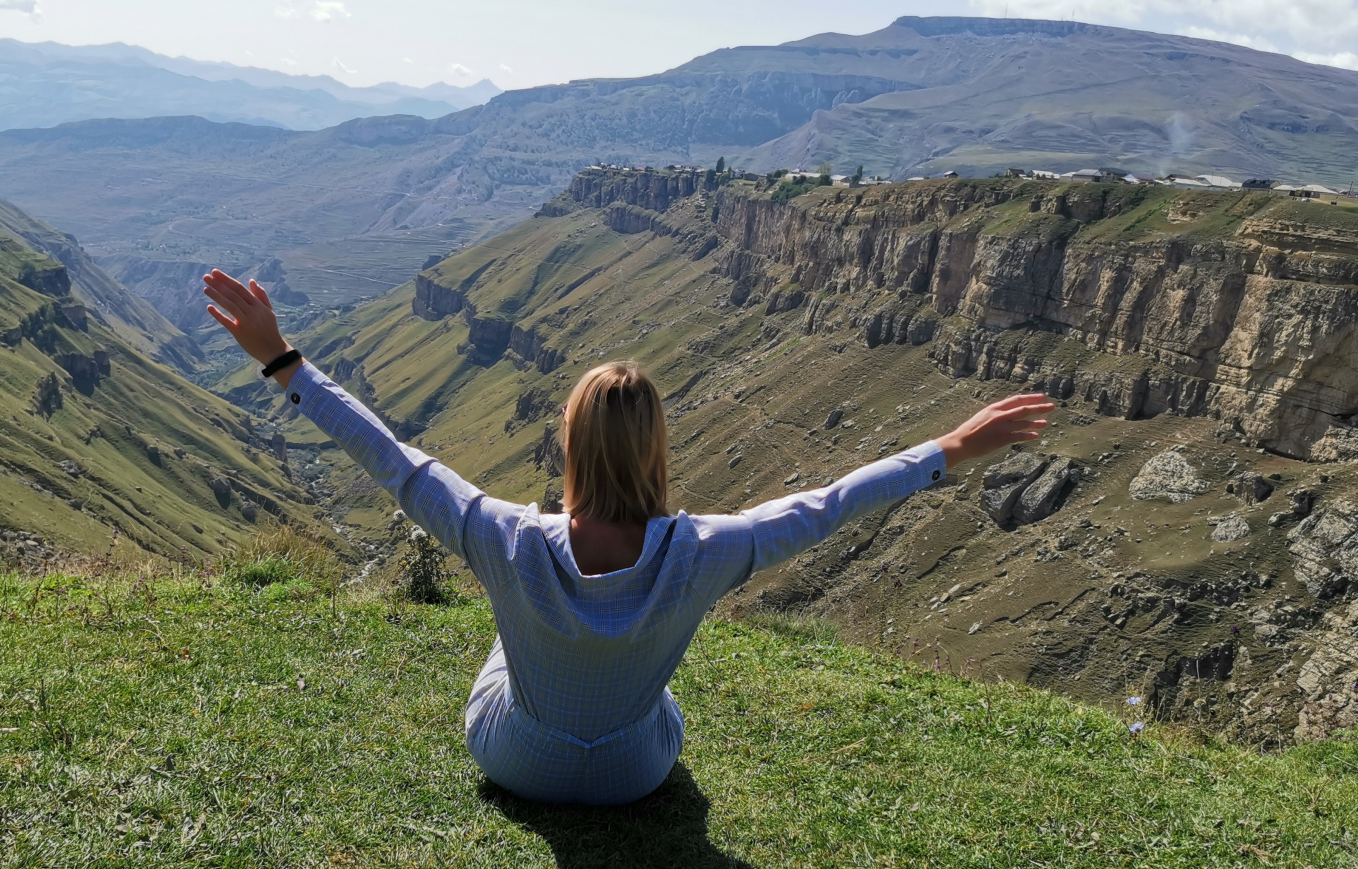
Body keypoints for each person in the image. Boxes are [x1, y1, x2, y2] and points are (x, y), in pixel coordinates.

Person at [204, 268, 1055, 806]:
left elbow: (392, 459)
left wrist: (282, 360)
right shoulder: (706, 551)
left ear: (569, 445)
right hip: (633, 775)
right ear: (657, 448)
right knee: (653, 691)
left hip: (516, 762)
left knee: (506, 647)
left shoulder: (505, 537)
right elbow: (832, 503)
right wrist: (949, 447)